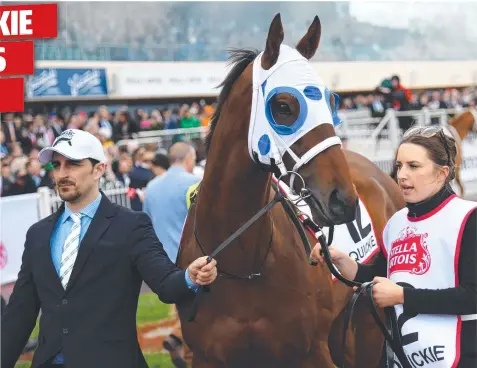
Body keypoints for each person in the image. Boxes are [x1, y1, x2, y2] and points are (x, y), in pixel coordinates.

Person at [1, 129, 218, 368]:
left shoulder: (131, 226)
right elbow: (19, 315)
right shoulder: (38, 234)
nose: (62, 173)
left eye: (73, 164)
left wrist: (190, 276)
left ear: (99, 169)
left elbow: (166, 282)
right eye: (56, 165)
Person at [310, 125, 477, 368]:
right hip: (403, 359)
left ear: (442, 173)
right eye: (399, 166)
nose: (401, 175)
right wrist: (342, 262)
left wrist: (401, 296)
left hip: (461, 357)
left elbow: (472, 296)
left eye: (414, 166)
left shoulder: (468, 217)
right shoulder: (397, 222)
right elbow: (382, 275)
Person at [143, 142, 201, 367]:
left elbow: (146, 222)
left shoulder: (152, 187)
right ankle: (180, 342)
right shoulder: (194, 183)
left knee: (184, 310)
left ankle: (181, 344)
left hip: (162, 262)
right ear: (188, 159)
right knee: (198, 312)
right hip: (190, 259)